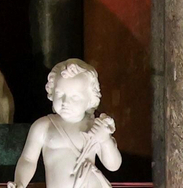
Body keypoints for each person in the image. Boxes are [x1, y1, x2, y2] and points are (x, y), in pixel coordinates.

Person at [7, 60, 120, 188]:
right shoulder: (43, 126)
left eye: (75, 97)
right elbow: (28, 160)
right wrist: (20, 182)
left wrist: (105, 141)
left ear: (90, 99)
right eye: (60, 94)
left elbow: (113, 165)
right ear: (51, 92)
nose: (65, 102)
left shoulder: (94, 126)